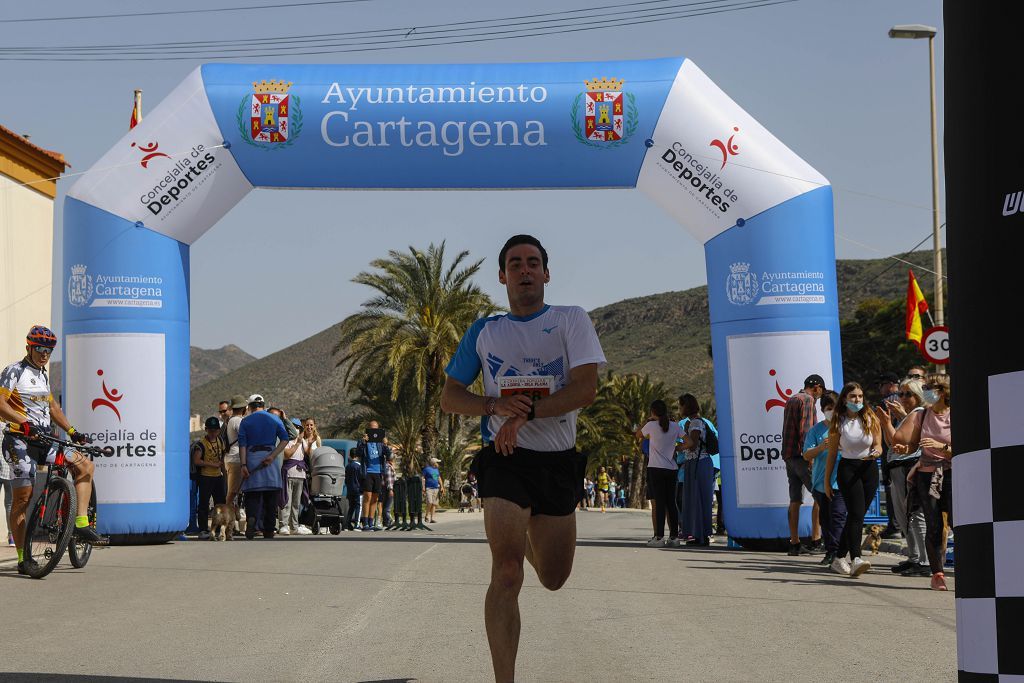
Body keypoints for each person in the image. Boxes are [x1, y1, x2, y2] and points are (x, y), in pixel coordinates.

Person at [440, 234, 604, 683]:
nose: (524, 270)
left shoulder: (571, 321)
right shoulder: (486, 331)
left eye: (533, 263)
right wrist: (494, 408)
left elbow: (585, 389)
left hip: (556, 462)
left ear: (547, 274)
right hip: (505, 459)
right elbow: (450, 397)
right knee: (507, 572)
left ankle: (530, 530)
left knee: (553, 577)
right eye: (515, 264)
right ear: (502, 276)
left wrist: (526, 410)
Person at [1, 325, 105, 574]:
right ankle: (23, 557)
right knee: (23, 498)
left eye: (48, 350)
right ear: (29, 347)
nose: (44, 353)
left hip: (44, 440)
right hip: (19, 441)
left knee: (85, 465)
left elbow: (54, 408)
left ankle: (79, 522)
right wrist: (23, 423)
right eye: (39, 348)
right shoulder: (15, 371)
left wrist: (72, 432)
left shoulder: (43, 374)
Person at [892, 373, 952, 591]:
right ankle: (937, 573)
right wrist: (903, 449)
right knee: (933, 523)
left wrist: (942, 448)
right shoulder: (922, 415)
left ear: (943, 391)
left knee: (958, 522)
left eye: (931, 387)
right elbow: (914, 445)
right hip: (927, 475)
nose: (926, 391)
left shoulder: (955, 414)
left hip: (953, 474)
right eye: (925, 387)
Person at [824, 382, 882, 578]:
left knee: (856, 517)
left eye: (860, 396)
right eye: (853, 397)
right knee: (856, 514)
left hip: (869, 468)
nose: (857, 400)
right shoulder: (838, 421)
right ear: (845, 399)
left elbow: (878, 445)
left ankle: (839, 557)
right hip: (848, 469)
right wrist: (826, 482)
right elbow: (832, 454)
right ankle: (856, 558)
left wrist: (876, 452)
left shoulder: (870, 417)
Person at [874, 378, 930, 577]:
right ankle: (915, 558)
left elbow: (897, 439)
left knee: (914, 515)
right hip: (899, 468)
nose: (903, 398)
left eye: (908, 394)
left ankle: (924, 561)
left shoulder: (918, 413)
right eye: (901, 394)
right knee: (904, 516)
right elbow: (892, 443)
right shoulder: (910, 415)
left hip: (908, 468)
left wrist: (886, 422)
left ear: (919, 396)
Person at [802, 390, 848, 569]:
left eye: (835, 408)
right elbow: (806, 455)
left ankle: (838, 553)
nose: (832, 411)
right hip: (821, 482)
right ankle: (830, 551)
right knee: (826, 519)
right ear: (822, 410)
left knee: (838, 516)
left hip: (841, 481)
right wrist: (821, 447)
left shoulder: (846, 426)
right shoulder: (816, 430)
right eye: (828, 408)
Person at [781, 374, 825, 555]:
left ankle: (794, 543)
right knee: (820, 496)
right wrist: (811, 457)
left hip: (789, 457)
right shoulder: (807, 400)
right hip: (802, 457)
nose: (819, 397)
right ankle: (816, 540)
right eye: (820, 393)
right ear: (817, 388)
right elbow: (806, 432)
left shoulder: (791, 399)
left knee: (795, 500)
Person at [237, 393, 289, 540]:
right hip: (269, 458)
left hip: (252, 458)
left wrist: (243, 465)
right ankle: (269, 529)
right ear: (264, 405)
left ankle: (252, 519)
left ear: (250, 407)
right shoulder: (274, 418)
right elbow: (285, 439)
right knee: (271, 497)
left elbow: (242, 445)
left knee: (252, 495)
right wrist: (273, 456)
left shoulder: (245, 422)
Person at [636, 399, 684, 547]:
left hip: (655, 468)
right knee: (671, 502)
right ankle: (674, 538)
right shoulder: (675, 426)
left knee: (660, 502)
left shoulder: (651, 425)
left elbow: (638, 434)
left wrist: (648, 420)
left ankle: (659, 537)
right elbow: (689, 442)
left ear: (653, 412)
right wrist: (675, 449)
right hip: (672, 468)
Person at [678, 394, 716, 547]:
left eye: (680, 406)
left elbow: (692, 444)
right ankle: (700, 534)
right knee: (699, 499)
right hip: (700, 463)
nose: (679, 409)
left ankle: (699, 536)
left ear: (686, 406)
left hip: (698, 463)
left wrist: (677, 447)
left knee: (696, 499)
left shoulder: (694, 423)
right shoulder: (696, 422)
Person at [278, 417, 317, 535]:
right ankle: (284, 525)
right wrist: (298, 443)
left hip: (300, 475)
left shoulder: (302, 441)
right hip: (289, 473)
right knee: (286, 501)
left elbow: (307, 453)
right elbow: (287, 454)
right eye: (294, 427)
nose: (296, 429)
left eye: (298, 427)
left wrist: (309, 444)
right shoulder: (286, 440)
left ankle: (294, 526)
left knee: (296, 503)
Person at [192, 416, 226, 540]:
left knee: (220, 504)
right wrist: (213, 464)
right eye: (210, 430)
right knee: (204, 504)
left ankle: (219, 529)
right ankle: (203, 529)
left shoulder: (220, 441)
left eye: (216, 430)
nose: (213, 433)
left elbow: (222, 458)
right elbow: (197, 461)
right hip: (205, 477)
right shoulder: (201, 444)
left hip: (218, 477)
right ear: (206, 429)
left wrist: (224, 474)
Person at [356, 420, 391, 531]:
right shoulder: (363, 442)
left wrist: (386, 444)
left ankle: (371, 522)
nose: (373, 430)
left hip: (379, 472)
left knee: (375, 499)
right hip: (368, 472)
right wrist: (363, 442)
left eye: (375, 428)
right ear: (368, 429)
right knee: (367, 497)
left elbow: (389, 456)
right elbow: (358, 453)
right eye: (371, 428)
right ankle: (365, 522)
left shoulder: (380, 443)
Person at [222, 395, 247, 535]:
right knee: (231, 494)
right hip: (236, 460)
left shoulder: (231, 421)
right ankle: (228, 525)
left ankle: (231, 525)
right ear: (244, 408)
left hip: (231, 459)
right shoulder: (238, 421)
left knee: (233, 493)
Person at [344, 450, 363, 531]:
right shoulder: (359, 466)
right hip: (358, 489)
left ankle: (347, 524)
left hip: (350, 489)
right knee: (359, 506)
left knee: (351, 507)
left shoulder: (348, 466)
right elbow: (361, 478)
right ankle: (357, 525)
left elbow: (346, 479)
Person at [422, 456, 443, 524]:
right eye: (437, 462)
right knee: (430, 502)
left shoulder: (436, 470)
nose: (438, 464)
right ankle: (426, 515)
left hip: (436, 488)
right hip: (429, 488)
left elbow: (437, 478)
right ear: (434, 463)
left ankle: (432, 518)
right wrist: (423, 487)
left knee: (434, 504)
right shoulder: (427, 469)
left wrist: (442, 486)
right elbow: (423, 478)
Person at [382, 452, 397, 526]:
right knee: (387, 506)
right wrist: (391, 489)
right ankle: (389, 520)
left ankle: (385, 522)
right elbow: (389, 479)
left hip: (386, 488)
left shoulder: (386, 466)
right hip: (388, 489)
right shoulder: (388, 467)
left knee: (385, 505)